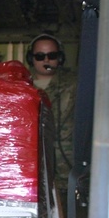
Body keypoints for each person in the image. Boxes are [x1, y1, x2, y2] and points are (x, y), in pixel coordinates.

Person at [26, 33, 76, 199]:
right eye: (40, 56)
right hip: (32, 165)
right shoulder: (22, 86)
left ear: (60, 58)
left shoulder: (74, 84)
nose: (46, 61)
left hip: (65, 166)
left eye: (52, 56)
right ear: (31, 59)